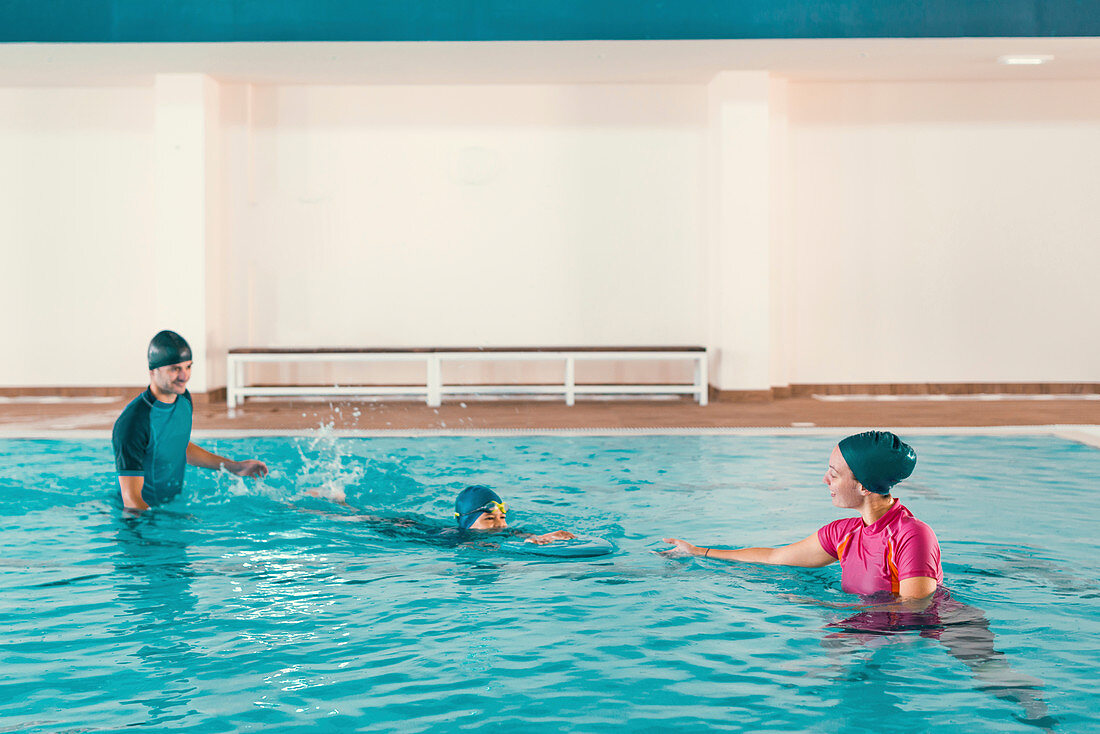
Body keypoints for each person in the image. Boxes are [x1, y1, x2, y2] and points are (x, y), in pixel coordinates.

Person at [662, 431, 941, 609]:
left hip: (944, 631)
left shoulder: (912, 536)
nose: (825, 480)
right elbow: (774, 557)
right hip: (868, 630)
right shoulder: (843, 533)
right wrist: (699, 552)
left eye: (834, 474)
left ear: (865, 486)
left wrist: (826, 606)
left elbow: (915, 610)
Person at [112, 330, 268, 510]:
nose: (184, 376)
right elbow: (131, 501)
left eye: (188, 367)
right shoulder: (133, 422)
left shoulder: (183, 399)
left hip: (172, 509)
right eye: (175, 369)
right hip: (143, 520)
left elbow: (177, 446)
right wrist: (154, 530)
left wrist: (234, 467)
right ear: (153, 371)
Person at [453, 485, 576, 544]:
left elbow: (526, 537)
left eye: (502, 517)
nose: (500, 525)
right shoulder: (449, 539)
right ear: (466, 521)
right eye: (489, 518)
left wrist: (544, 538)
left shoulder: (506, 533)